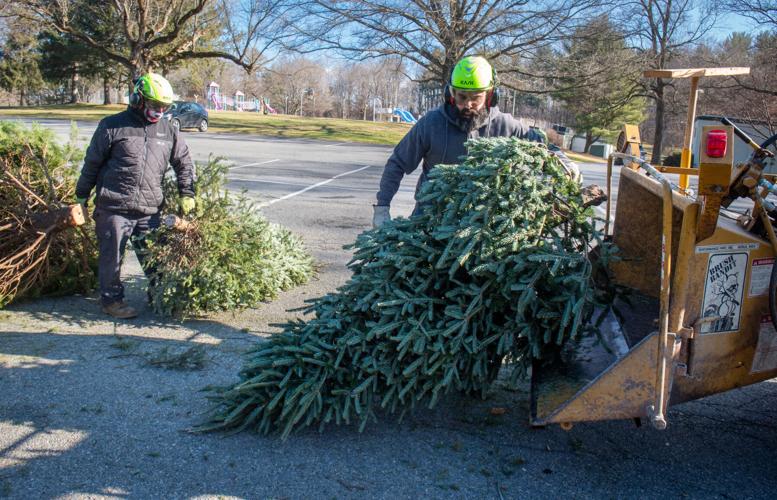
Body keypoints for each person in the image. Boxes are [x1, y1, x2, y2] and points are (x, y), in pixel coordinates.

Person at [373, 56, 579, 227]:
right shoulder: (431, 124)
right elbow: (398, 163)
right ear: (450, 93)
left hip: (484, 229)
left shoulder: (506, 126)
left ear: (491, 96)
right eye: (461, 97)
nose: (467, 104)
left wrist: (565, 163)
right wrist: (383, 207)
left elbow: (546, 148)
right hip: (430, 222)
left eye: (476, 98)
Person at [75, 72, 196, 319]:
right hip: (114, 206)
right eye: (154, 105)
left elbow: (184, 162)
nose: (159, 110)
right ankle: (112, 301)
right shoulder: (112, 126)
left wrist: (188, 192)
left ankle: (160, 294)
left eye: (164, 106)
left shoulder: (168, 130)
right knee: (113, 256)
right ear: (137, 99)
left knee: (155, 257)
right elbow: (92, 163)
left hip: (149, 209)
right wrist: (81, 196)